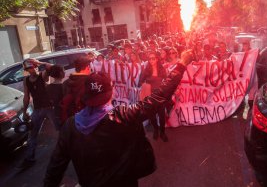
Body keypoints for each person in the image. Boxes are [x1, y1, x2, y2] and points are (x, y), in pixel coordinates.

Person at [43, 50, 194, 187]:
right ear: (111, 93)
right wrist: (181, 65)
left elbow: (55, 167)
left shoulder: (70, 126)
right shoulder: (122, 116)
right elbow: (159, 97)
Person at [20, 59, 59, 168]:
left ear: (36, 66)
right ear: (26, 70)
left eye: (32, 67)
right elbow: (26, 97)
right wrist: (24, 111)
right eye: (28, 68)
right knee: (32, 134)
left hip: (50, 108)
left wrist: (39, 62)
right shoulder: (26, 80)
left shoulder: (43, 75)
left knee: (60, 128)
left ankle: (70, 148)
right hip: (37, 109)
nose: (31, 70)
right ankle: (29, 158)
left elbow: (52, 67)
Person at [139, 52, 168, 141]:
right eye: (150, 59)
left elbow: (166, 80)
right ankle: (156, 129)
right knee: (152, 116)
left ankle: (162, 132)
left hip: (159, 95)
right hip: (150, 96)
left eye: (153, 58)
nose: (151, 60)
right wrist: (145, 85)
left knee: (162, 116)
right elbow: (140, 82)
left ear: (157, 59)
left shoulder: (161, 69)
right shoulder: (146, 70)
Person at [61, 56, 92, 123]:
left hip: (72, 119)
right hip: (86, 118)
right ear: (87, 67)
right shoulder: (89, 82)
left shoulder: (66, 82)